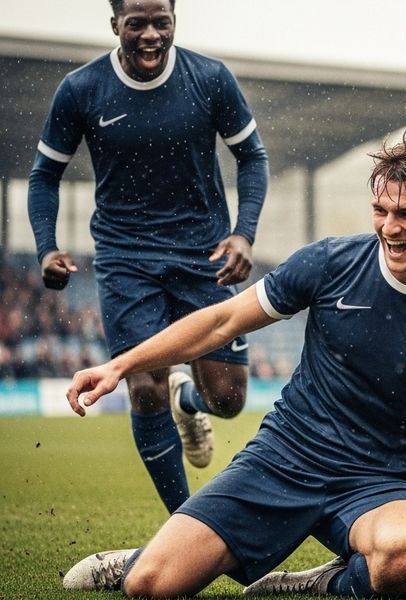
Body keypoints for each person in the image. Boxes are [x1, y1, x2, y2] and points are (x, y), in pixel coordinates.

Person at [60, 134, 406, 599]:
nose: (390, 227)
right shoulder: (331, 263)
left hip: (379, 483)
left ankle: (320, 583)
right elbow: (222, 322)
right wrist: (121, 364)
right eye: (381, 210)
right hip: (284, 460)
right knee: (150, 587)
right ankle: (142, 557)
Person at [27, 0, 269, 513]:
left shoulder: (210, 78)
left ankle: (190, 401)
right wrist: (46, 246)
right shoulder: (82, 89)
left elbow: (252, 156)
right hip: (125, 258)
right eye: (136, 24)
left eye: (163, 22)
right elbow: (45, 175)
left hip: (205, 254)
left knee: (227, 400)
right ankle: (187, 522)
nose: (151, 35)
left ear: (175, 19)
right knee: (143, 385)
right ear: (115, 24)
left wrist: (244, 233)